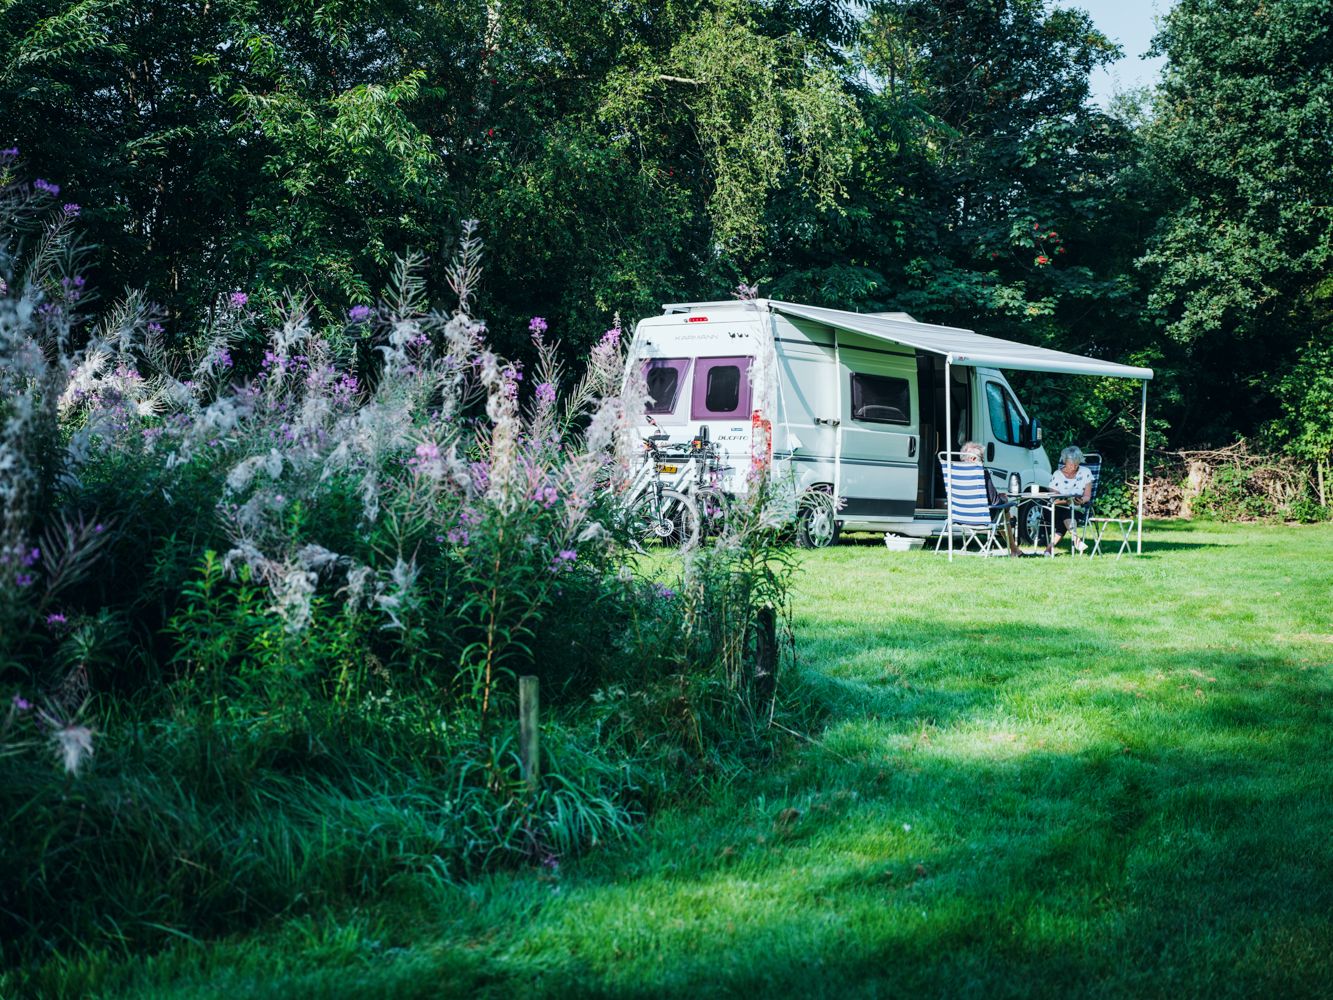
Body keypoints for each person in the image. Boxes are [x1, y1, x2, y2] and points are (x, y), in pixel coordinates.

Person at [960, 441, 1020, 556]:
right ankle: (1013, 549)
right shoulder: (982, 472)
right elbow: (995, 501)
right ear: (973, 459)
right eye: (981, 458)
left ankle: (1014, 549)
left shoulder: (957, 473)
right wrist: (1004, 499)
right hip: (981, 518)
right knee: (1004, 509)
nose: (982, 462)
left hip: (961, 516)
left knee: (1002, 510)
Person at [1046, 445, 1093, 554]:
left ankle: (1049, 549)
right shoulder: (1057, 474)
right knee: (1065, 511)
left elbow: (1087, 496)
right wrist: (1065, 501)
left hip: (1076, 508)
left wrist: (1082, 501)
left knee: (1067, 513)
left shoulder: (1086, 472)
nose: (1074, 466)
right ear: (1065, 461)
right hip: (1056, 509)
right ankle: (1076, 540)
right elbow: (1053, 497)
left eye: (1076, 464)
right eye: (1071, 464)